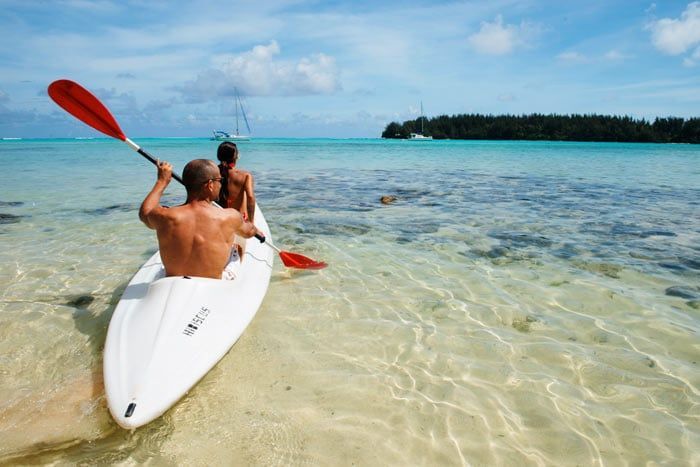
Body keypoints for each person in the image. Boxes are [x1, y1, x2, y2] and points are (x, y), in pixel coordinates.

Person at [139, 158, 261, 279]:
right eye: (220, 180)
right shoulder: (230, 217)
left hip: (173, 282)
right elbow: (248, 232)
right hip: (213, 284)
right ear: (210, 185)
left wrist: (162, 181)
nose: (221, 184)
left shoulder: (165, 216)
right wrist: (253, 226)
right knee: (236, 248)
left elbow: (144, 212)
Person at [216, 142, 256, 223]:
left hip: (218, 218)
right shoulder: (245, 176)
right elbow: (250, 198)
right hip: (237, 220)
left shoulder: (212, 172)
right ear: (236, 156)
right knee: (244, 193)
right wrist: (251, 223)